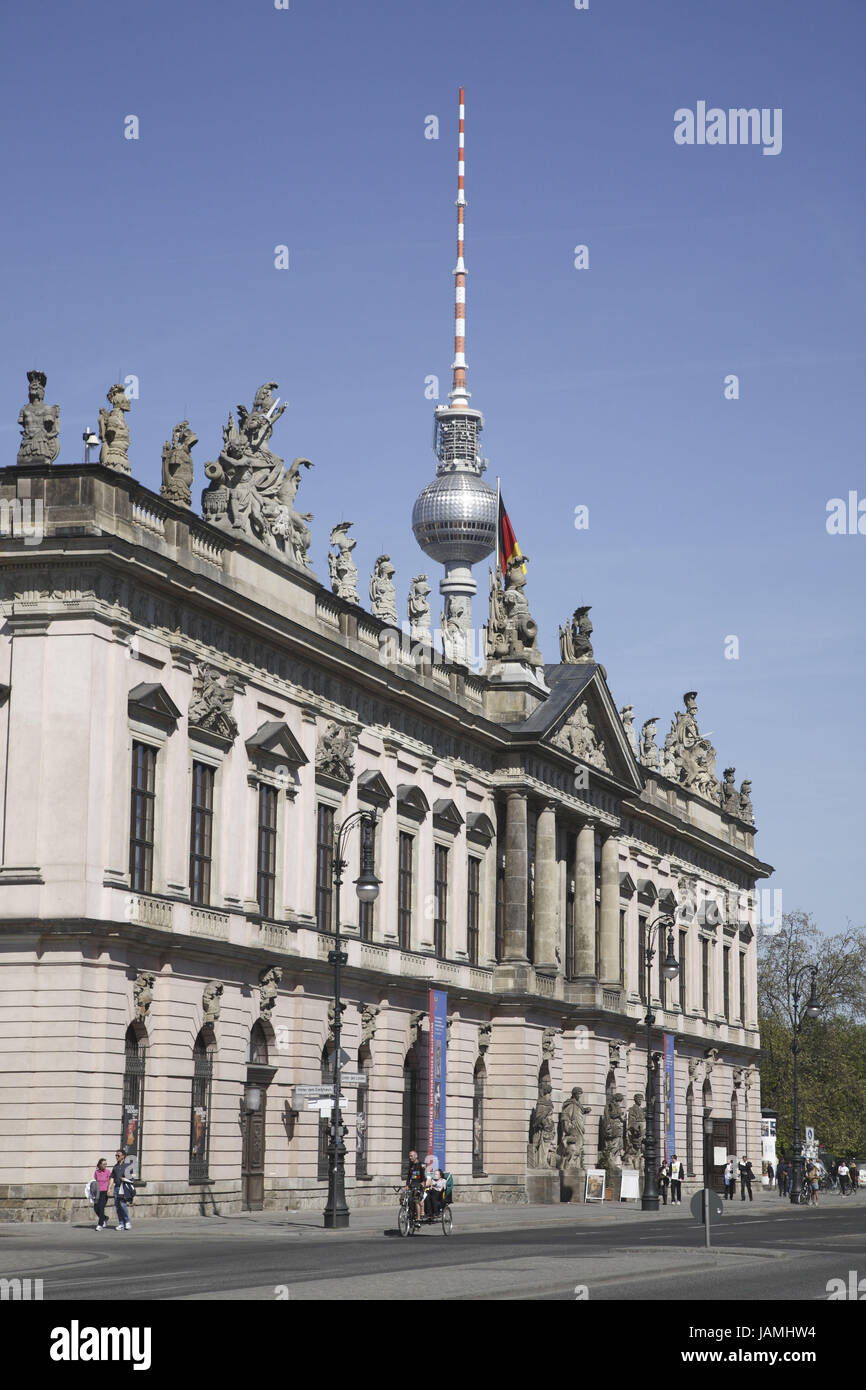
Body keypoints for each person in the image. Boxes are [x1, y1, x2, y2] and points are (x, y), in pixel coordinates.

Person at [111, 1148, 133, 1230]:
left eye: (118, 1155)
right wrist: (109, 1188)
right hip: (116, 1188)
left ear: (123, 1156)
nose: (116, 1157)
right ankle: (121, 1223)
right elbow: (112, 1177)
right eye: (116, 1155)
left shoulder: (127, 1166)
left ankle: (127, 1222)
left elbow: (131, 1178)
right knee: (117, 1206)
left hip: (123, 1188)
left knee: (123, 1205)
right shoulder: (116, 1166)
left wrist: (125, 1179)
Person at [404, 1149, 426, 1225]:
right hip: (412, 1186)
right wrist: (407, 1185)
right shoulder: (411, 1166)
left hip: (419, 1187)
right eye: (409, 1156)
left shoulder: (421, 1165)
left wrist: (422, 1183)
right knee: (403, 1198)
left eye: (411, 1156)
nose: (410, 1157)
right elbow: (408, 1177)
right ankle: (409, 1212)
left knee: (416, 1200)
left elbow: (423, 1177)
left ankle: (418, 1219)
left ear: (416, 1156)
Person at [92, 1157, 111, 1231]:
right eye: (103, 1164)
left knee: (101, 1207)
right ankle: (105, 1218)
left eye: (106, 1164)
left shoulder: (108, 1172)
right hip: (97, 1192)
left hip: (104, 1192)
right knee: (96, 1208)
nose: (105, 1166)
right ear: (100, 1165)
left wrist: (109, 1189)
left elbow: (110, 1181)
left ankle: (100, 1224)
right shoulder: (96, 1172)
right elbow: (95, 1182)